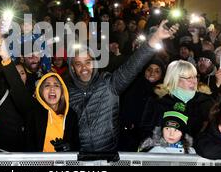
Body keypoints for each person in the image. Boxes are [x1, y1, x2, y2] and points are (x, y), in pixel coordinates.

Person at [67, 20, 178, 152]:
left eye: (88, 62)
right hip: (78, 158)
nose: (84, 68)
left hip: (108, 156)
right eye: (78, 64)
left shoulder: (109, 84)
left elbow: (132, 66)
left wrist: (155, 39)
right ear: (73, 68)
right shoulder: (67, 92)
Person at [0, 41, 79, 152]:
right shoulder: (34, 111)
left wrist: (70, 148)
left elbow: (77, 144)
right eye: (47, 85)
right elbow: (18, 89)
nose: (52, 88)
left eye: (56, 85)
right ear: (40, 92)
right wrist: (5, 57)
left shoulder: (71, 115)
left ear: (63, 91)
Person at [141, 60, 216, 142]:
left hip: (197, 152)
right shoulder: (158, 101)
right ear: (174, 78)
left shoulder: (206, 102)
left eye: (195, 77)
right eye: (188, 78)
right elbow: (146, 131)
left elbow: (214, 131)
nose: (194, 81)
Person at [119, 57, 166, 151]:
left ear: (161, 75)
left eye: (157, 71)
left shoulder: (164, 93)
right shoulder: (133, 87)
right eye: (149, 70)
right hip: (128, 136)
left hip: (152, 140)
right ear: (144, 71)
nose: (152, 73)